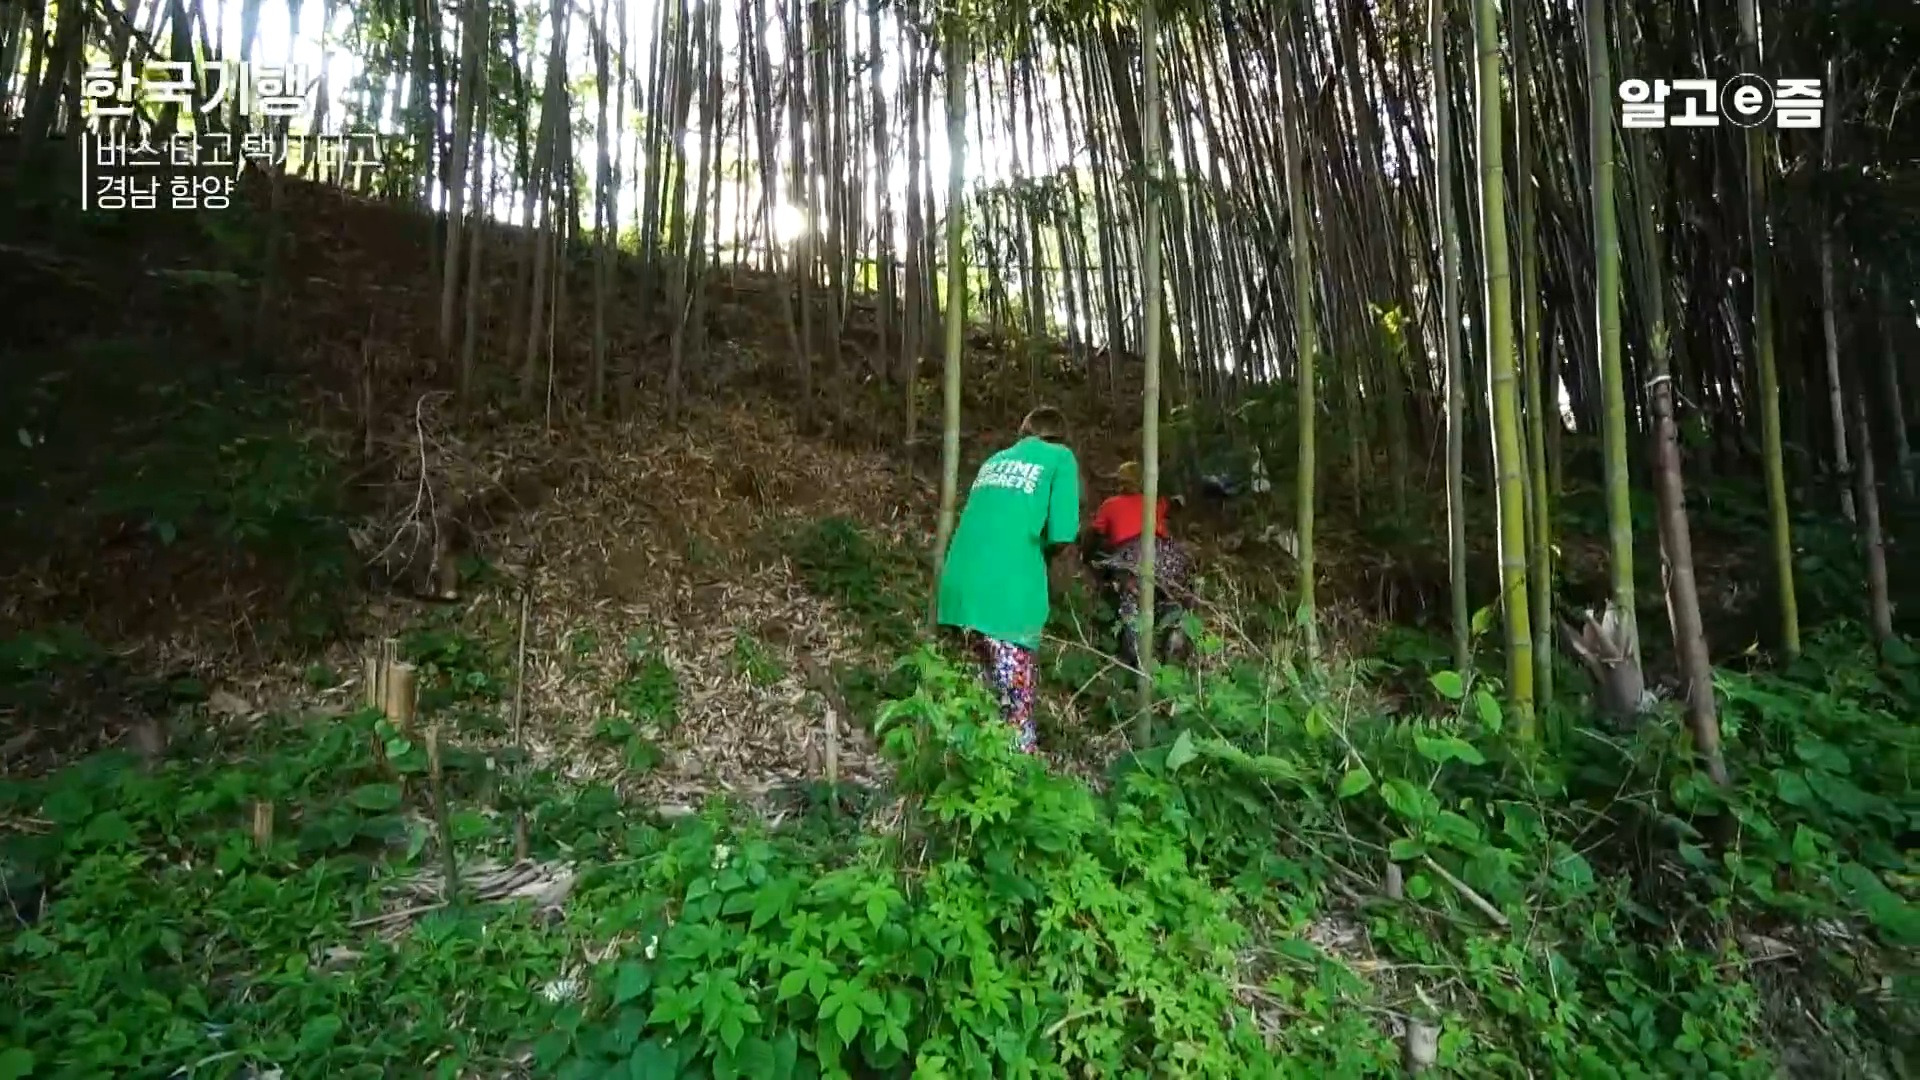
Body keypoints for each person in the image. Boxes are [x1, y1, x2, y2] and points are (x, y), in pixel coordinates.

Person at [936, 406, 1081, 754]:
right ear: (1060, 436)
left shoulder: (995, 460)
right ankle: (1019, 777)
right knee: (1016, 715)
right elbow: (1063, 534)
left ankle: (964, 769)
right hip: (1008, 597)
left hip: (958, 593)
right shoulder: (1060, 458)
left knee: (973, 703)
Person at [1086, 460, 1194, 667]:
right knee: (1174, 596)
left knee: (1131, 604)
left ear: (1119, 482)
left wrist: (1088, 557)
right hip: (1167, 556)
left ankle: (1135, 660)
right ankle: (1174, 643)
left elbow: (1094, 535)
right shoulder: (1154, 502)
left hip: (1134, 559)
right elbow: (1174, 504)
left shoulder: (1110, 505)